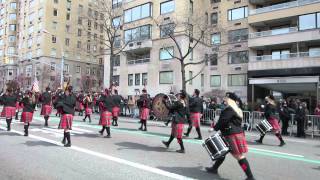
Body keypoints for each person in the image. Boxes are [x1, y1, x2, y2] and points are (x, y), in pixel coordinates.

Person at [205, 92, 255, 180]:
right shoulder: (237, 109)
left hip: (232, 134)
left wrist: (214, 128)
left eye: (226, 98)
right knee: (223, 152)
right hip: (234, 133)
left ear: (230, 100)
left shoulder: (230, 109)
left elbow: (223, 121)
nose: (224, 99)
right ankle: (214, 168)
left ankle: (250, 177)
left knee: (239, 156)